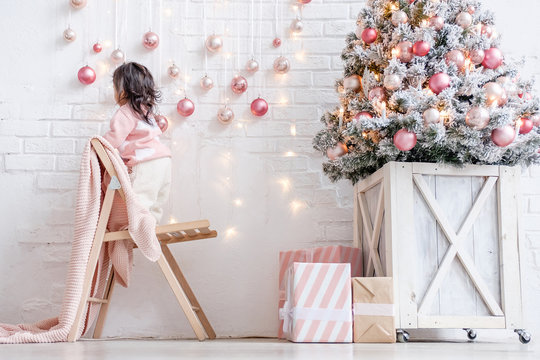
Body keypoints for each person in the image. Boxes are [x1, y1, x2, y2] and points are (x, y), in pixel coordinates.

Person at [103, 62, 171, 224]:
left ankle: (140, 228)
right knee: (157, 199)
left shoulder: (125, 112)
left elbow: (114, 138)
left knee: (141, 198)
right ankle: (151, 227)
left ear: (122, 91)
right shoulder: (145, 111)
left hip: (145, 161)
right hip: (164, 160)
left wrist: (99, 143)